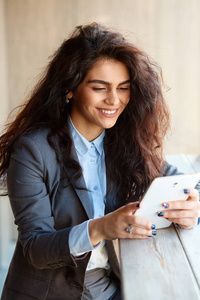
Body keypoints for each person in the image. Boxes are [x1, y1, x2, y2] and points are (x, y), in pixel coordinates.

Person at [0, 22, 199, 300]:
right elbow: (36, 247)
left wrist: (192, 209)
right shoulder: (32, 150)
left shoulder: (125, 141)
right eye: (99, 87)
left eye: (124, 88)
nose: (114, 100)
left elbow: (178, 180)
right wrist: (101, 227)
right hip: (48, 293)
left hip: (111, 287)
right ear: (70, 88)